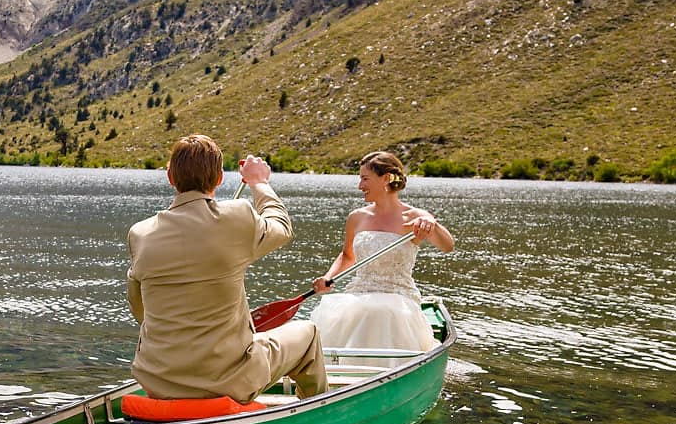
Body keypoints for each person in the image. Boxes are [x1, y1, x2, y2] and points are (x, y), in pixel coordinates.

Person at [127, 135, 327, 403]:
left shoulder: (140, 233)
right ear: (219, 178)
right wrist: (259, 183)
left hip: (158, 379)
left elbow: (139, 308)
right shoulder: (237, 216)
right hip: (227, 379)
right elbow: (281, 227)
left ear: (170, 177)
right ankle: (315, 416)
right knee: (309, 334)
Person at [311, 150, 454, 351]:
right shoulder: (357, 217)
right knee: (348, 311)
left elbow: (448, 246)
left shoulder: (414, 217)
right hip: (360, 293)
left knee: (380, 311)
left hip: (398, 295)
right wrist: (328, 277)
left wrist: (433, 224)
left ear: (385, 179)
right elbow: (348, 255)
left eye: (365, 179)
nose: (360, 186)